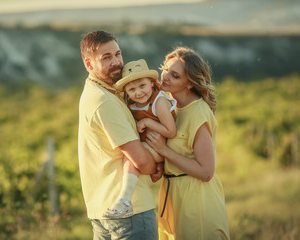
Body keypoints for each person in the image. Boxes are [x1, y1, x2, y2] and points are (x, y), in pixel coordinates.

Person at [78, 30, 161, 240]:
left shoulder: (103, 93)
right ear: (89, 64)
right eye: (106, 57)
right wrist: (157, 162)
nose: (116, 62)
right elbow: (143, 162)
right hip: (130, 212)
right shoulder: (103, 101)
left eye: (117, 54)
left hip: (103, 210)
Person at [146, 46, 230, 239]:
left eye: (174, 75)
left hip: (197, 200)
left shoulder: (198, 112)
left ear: (190, 83)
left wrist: (164, 151)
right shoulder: (168, 107)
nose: (165, 76)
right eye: (165, 69)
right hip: (171, 196)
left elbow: (206, 172)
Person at [102, 59, 177, 219]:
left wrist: (147, 122)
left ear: (151, 83)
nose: (138, 92)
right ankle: (124, 198)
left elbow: (171, 131)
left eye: (142, 86)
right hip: (149, 144)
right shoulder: (132, 104)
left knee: (131, 158)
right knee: (130, 156)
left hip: (163, 146)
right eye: (132, 89)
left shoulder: (160, 101)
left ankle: (125, 200)